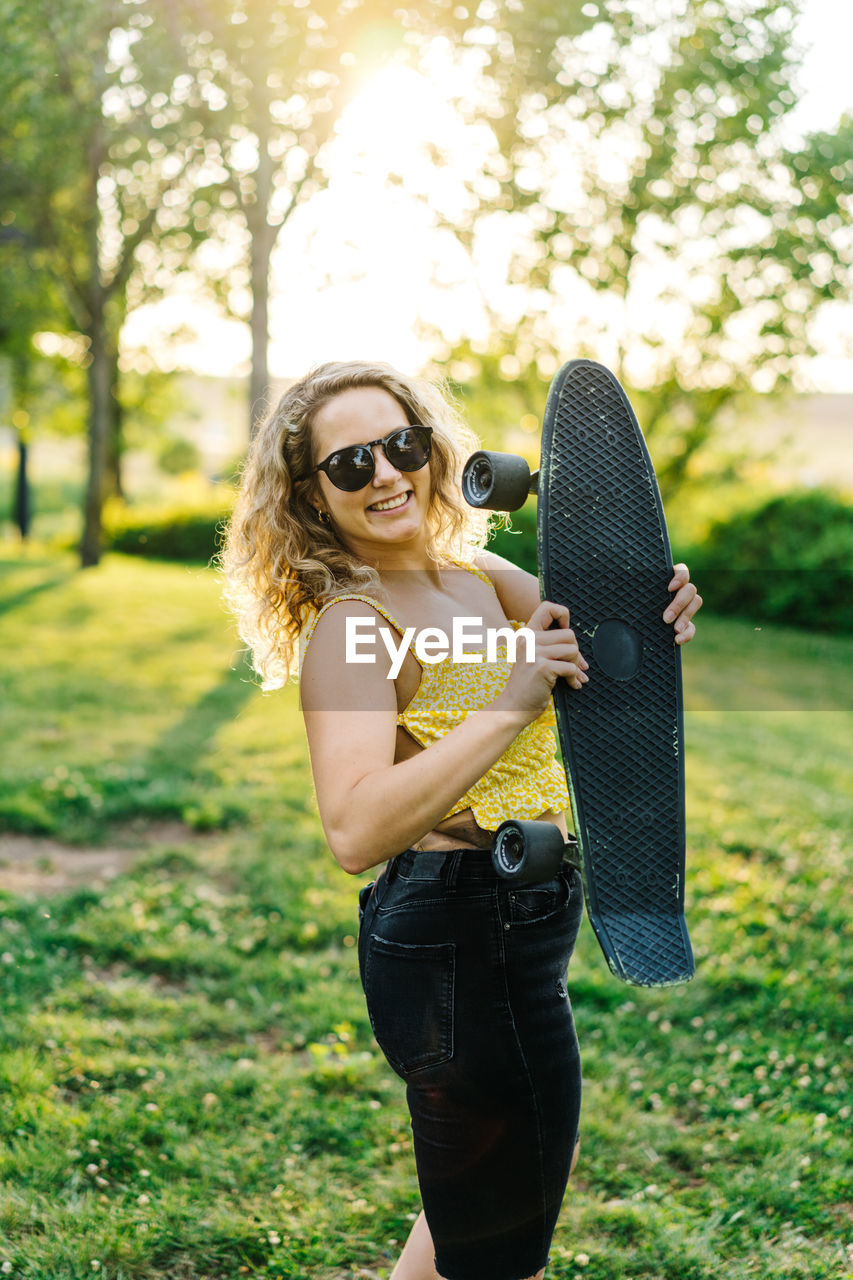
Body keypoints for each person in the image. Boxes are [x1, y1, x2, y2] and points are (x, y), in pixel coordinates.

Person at [221, 360, 702, 1280]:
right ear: (312, 497)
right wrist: (512, 701)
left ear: (433, 449)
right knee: (496, 1227)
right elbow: (355, 830)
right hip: (450, 932)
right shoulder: (352, 626)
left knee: (502, 1193)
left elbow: (603, 646)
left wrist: (661, 605)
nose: (388, 475)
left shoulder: (475, 574)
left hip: (520, 921)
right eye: (350, 464)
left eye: (401, 445)